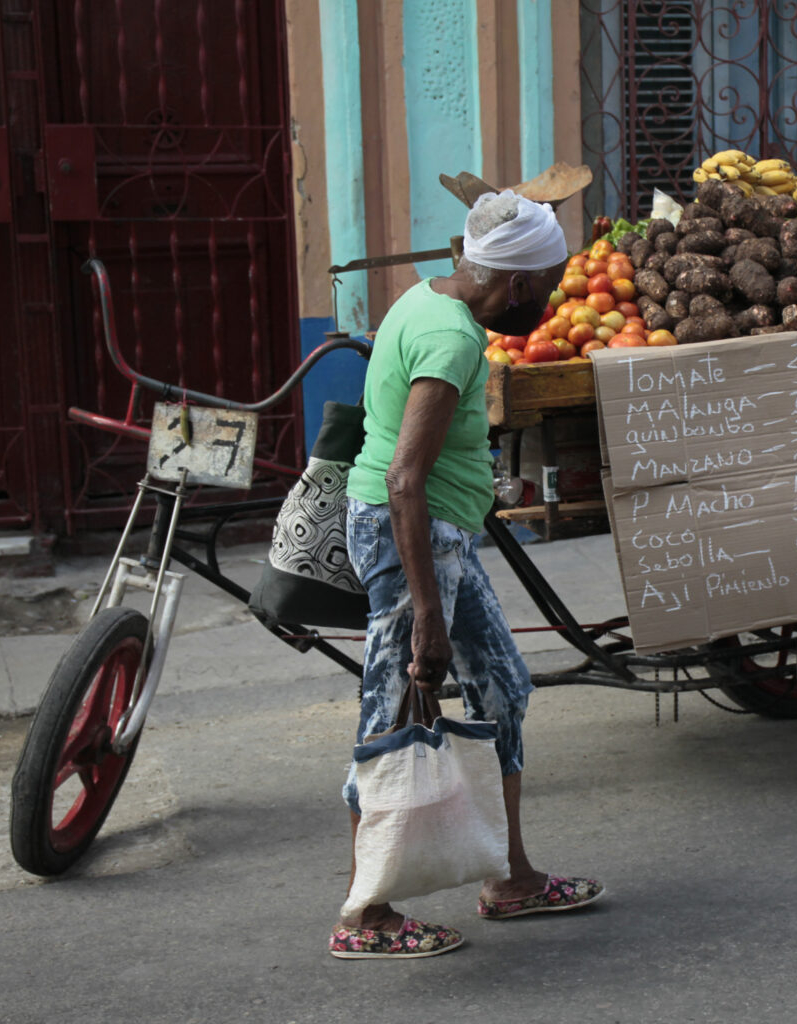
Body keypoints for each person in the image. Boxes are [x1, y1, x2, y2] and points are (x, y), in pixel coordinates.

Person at [329, 191, 603, 960]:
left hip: (438, 537)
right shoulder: (453, 340)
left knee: (503, 691)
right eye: (546, 284)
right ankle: (365, 914)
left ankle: (511, 878)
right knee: (387, 716)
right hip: (407, 537)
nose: (548, 299)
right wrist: (425, 613)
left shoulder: (423, 297)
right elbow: (405, 478)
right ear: (514, 284)